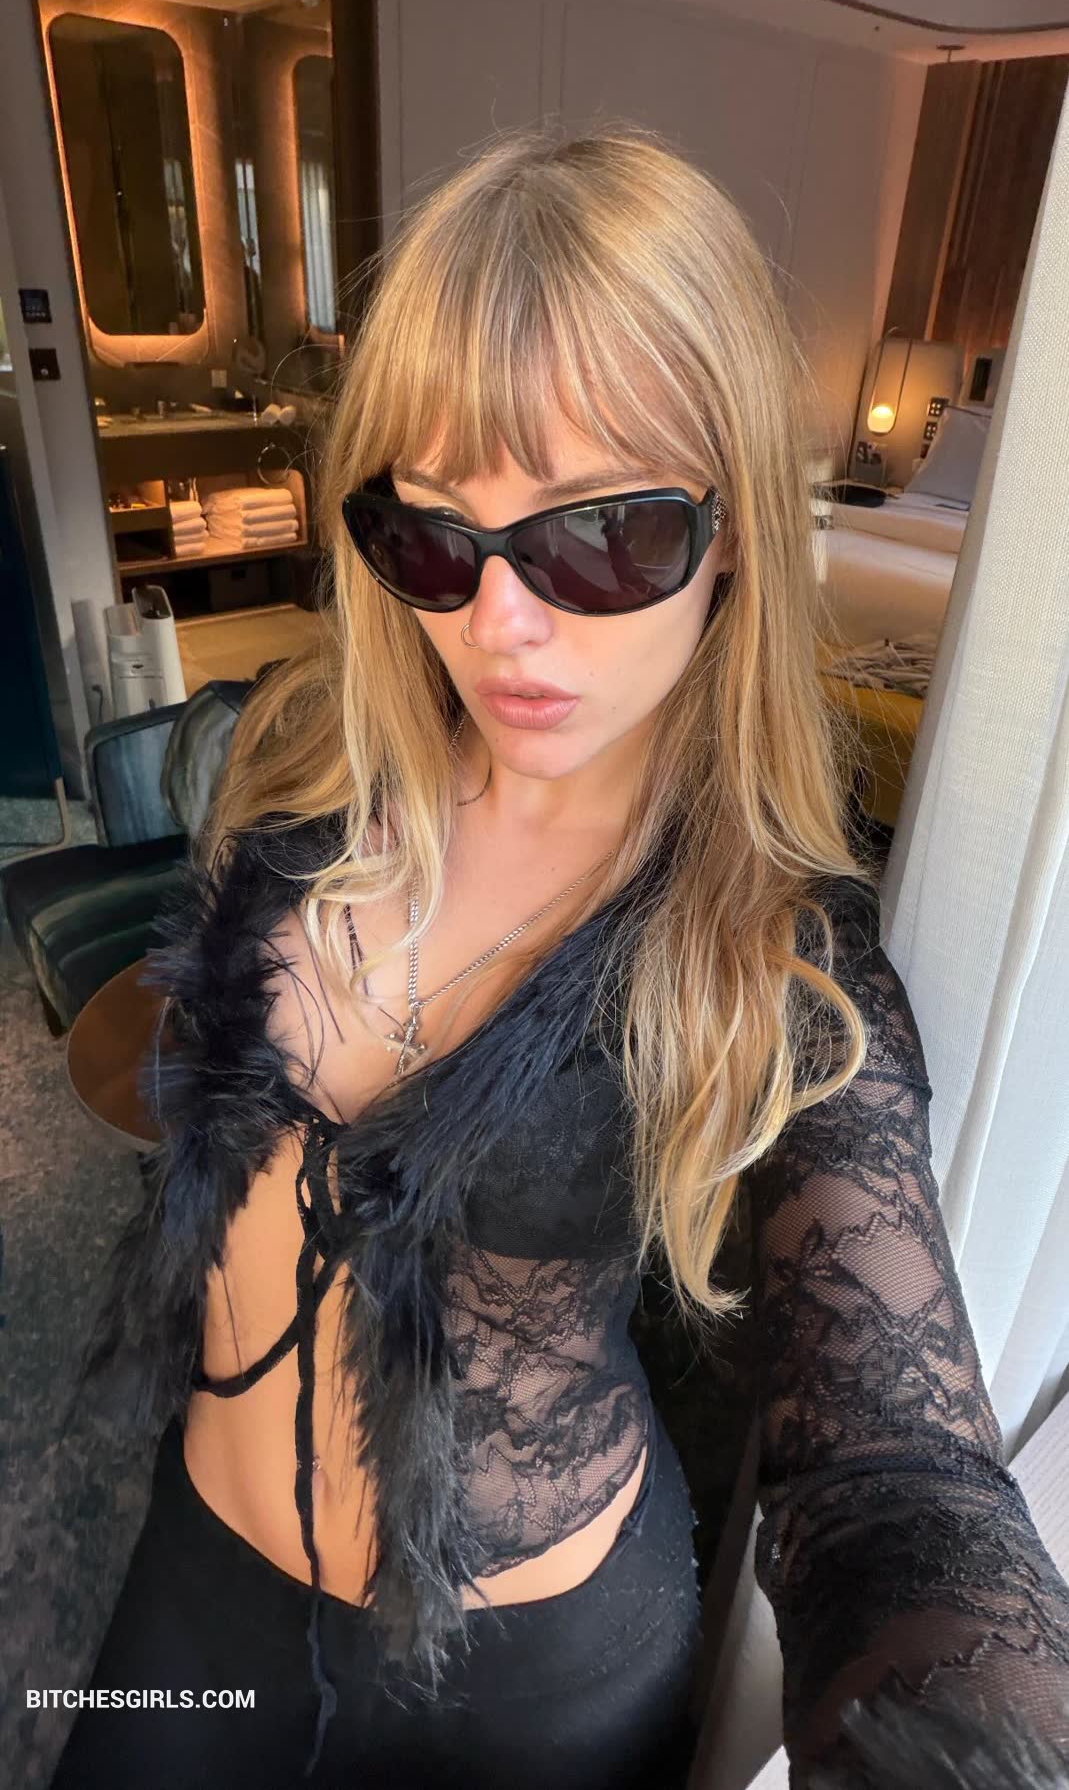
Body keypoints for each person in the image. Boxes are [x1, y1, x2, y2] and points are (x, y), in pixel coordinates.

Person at [53, 125, 1069, 1790]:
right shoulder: (300, 782)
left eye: (599, 540)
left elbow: (894, 1478)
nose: (498, 625)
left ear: (731, 532)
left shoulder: (773, 959)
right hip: (197, 1577)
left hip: (523, 1692)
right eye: (430, 536)